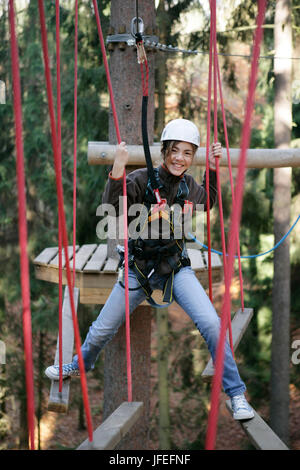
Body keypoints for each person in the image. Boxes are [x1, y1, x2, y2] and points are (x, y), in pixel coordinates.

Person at [45, 119, 254, 420]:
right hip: (139, 268)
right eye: (175, 151)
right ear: (165, 151)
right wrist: (118, 170)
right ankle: (80, 364)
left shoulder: (188, 186)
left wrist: (212, 167)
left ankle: (236, 395)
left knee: (211, 324)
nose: (180, 158)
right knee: (102, 329)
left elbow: (208, 200)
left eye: (187, 153)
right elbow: (113, 206)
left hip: (174, 268)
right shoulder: (143, 179)